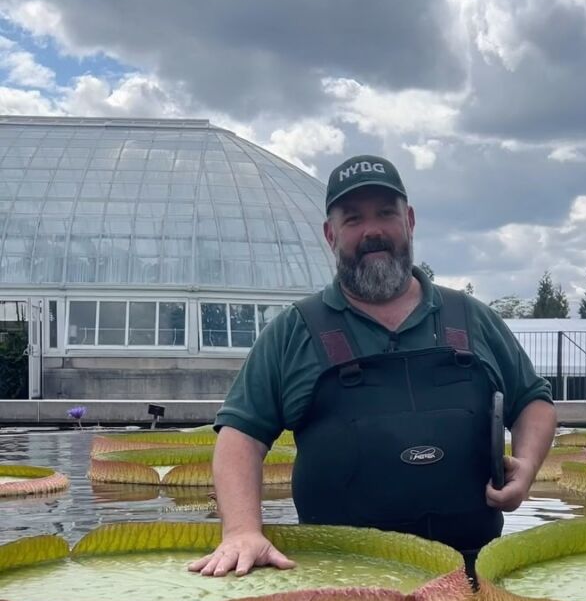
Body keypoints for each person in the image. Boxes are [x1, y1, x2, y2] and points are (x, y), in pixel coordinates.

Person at [189, 154, 556, 579]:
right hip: (338, 581)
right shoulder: (295, 330)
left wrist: (526, 466)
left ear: (410, 220)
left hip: (475, 575)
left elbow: (533, 401)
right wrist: (241, 531)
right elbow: (241, 436)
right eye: (353, 219)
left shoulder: (471, 318)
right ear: (330, 234)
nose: (373, 232)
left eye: (386, 214)